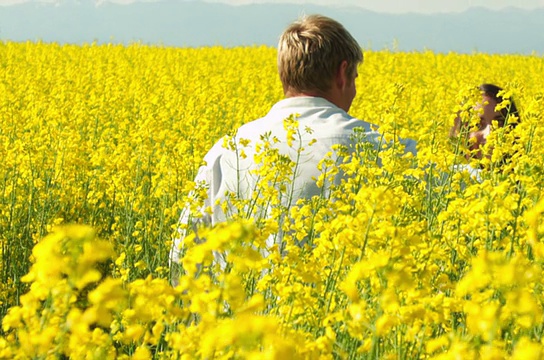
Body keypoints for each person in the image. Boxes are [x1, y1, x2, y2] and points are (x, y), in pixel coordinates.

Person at [169, 14, 416, 273]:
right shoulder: (384, 149)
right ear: (342, 74)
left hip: (237, 309)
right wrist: (460, 144)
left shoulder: (226, 150)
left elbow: (183, 254)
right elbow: (444, 186)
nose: (353, 90)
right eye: (354, 77)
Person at [449, 83, 520, 163]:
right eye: (478, 124)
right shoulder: (446, 174)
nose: (489, 134)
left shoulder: (527, 172)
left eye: (499, 123)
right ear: (462, 131)